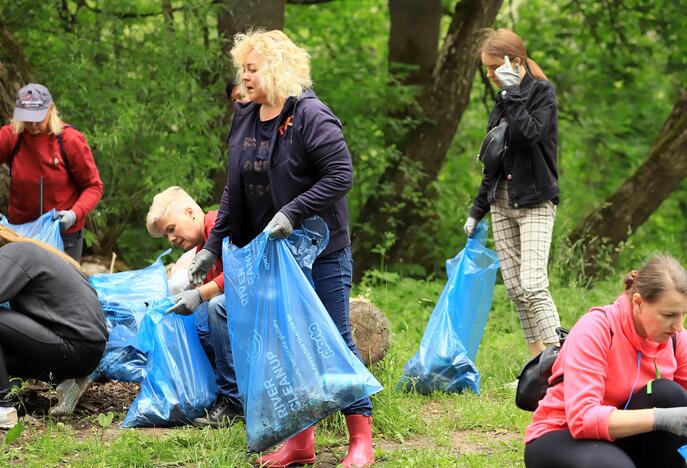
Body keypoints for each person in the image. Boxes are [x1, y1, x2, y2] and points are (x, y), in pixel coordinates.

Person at [188, 30, 375, 467]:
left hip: (321, 249)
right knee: (285, 345)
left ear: (275, 68)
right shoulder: (246, 116)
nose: (244, 77)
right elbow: (233, 191)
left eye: (251, 69)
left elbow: (340, 176)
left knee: (335, 339)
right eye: (243, 69)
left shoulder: (312, 115)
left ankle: (360, 441)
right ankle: (299, 443)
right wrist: (210, 248)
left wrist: (292, 212)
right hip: (269, 254)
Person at [524, 254, 687, 467]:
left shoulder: (675, 339)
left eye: (683, 314)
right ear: (638, 303)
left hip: (622, 438)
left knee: (668, 393)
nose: (678, 326)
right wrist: (661, 418)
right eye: (668, 315)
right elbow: (583, 419)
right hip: (563, 435)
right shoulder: (596, 329)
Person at [464, 29, 560, 360]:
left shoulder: (542, 94)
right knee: (518, 291)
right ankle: (537, 367)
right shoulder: (503, 99)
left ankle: (562, 362)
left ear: (514, 61)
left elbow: (529, 135)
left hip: (535, 202)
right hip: (501, 203)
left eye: (493, 67)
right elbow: (494, 157)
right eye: (487, 69)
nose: (489, 75)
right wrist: (477, 210)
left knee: (533, 285)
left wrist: (513, 91)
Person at [0, 226, 108, 428]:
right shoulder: (29, 251)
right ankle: (66, 381)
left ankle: (3, 408)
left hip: (74, 346)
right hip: (86, 351)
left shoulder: (14, 254)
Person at [0, 83, 103, 262]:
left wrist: (74, 214)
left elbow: (93, 186)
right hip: (19, 234)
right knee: (22, 288)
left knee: (61, 288)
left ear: (50, 110)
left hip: (63, 234)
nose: (32, 123)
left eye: (37, 117)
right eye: (27, 117)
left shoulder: (70, 140)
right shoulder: (11, 136)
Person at [146, 186, 226, 371]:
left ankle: (231, 391)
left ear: (189, 212)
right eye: (167, 235)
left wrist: (199, 294)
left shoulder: (217, 224)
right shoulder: (201, 249)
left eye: (171, 229)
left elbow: (240, 274)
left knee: (215, 307)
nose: (171, 239)